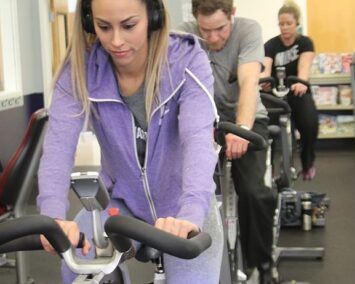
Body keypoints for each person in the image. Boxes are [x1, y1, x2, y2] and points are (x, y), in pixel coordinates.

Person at [36, 0, 223, 283]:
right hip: (119, 205)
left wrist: (191, 214)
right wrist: (53, 218)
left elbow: (197, 138)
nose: (116, 41)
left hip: (185, 203)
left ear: (154, 16)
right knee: (77, 263)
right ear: (88, 21)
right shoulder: (82, 69)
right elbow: (58, 149)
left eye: (128, 25)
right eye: (103, 27)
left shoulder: (186, 59)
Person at [179, 1, 276, 283]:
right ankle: (195, 267)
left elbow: (248, 82)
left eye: (220, 29)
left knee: (254, 192)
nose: (212, 38)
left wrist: (241, 128)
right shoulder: (184, 34)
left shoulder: (248, 30)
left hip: (246, 120)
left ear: (232, 14)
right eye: (205, 30)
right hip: (205, 124)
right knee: (193, 193)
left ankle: (263, 264)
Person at [261, 1, 319, 181]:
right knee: (264, 128)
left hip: (297, 90)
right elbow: (266, 66)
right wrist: (263, 80)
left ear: (297, 23)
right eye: (281, 24)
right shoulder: (271, 45)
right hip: (274, 93)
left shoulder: (305, 42)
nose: (284, 27)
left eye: (289, 23)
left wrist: (301, 81)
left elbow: (304, 66)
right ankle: (266, 169)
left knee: (310, 126)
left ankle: (307, 163)